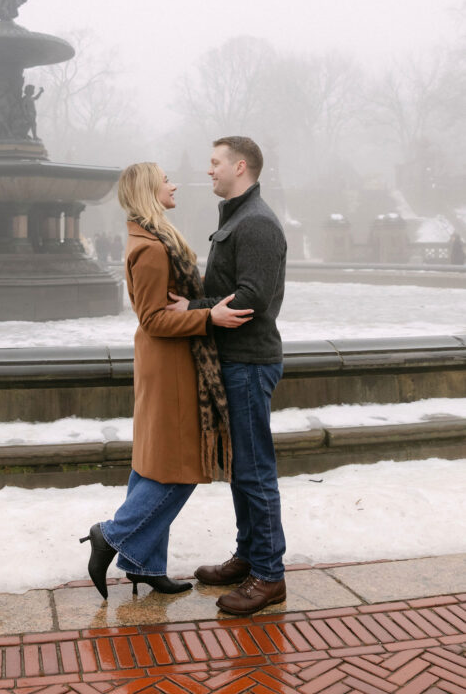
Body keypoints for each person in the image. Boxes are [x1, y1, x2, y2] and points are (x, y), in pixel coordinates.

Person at [80, 162, 253, 599]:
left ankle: (145, 564)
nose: (174, 185)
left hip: (168, 361)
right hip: (172, 365)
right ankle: (112, 535)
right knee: (180, 468)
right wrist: (208, 315)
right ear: (149, 191)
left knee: (153, 463)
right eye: (166, 181)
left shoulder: (152, 238)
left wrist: (195, 307)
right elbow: (155, 318)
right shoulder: (152, 248)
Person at [167, 136, 287, 616]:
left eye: (215, 162)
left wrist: (191, 308)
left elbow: (251, 296)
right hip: (236, 361)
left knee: (255, 470)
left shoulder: (256, 223)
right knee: (242, 468)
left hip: (250, 362)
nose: (208, 170)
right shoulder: (240, 217)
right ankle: (249, 556)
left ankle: (270, 576)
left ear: (241, 166)